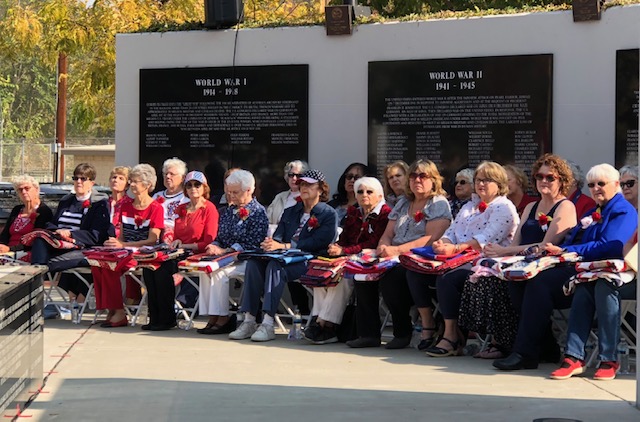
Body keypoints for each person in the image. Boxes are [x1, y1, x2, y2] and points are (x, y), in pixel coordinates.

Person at [494, 163, 638, 370]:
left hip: (596, 272)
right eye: (591, 184)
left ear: (615, 184)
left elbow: (613, 245)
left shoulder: (623, 211)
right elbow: (574, 238)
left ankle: (525, 352)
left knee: (539, 284)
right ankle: (546, 346)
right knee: (517, 282)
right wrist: (560, 249)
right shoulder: (596, 209)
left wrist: (570, 251)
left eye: (601, 184)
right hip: (580, 267)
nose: (596, 188)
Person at [461, 154, 577, 358]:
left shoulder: (565, 206)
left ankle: (522, 350)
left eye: (550, 178)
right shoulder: (531, 207)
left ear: (562, 181)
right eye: (539, 177)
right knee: (495, 279)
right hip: (524, 263)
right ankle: (540, 345)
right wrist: (499, 255)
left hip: (550, 267)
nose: (544, 181)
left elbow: (546, 245)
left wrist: (501, 250)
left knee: (529, 286)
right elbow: (516, 243)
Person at [414, 161, 519, 357]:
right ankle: (429, 327)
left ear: (499, 183)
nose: (481, 184)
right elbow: (452, 231)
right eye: (478, 180)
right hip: (459, 257)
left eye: (487, 180)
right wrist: (442, 242)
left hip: (487, 261)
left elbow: (487, 239)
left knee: (447, 278)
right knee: (416, 272)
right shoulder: (469, 206)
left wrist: (454, 248)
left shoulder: (503, 207)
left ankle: (452, 336)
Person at [347, 159, 452, 349]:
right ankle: (368, 334)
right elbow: (388, 233)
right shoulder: (404, 202)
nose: (417, 180)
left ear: (434, 179)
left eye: (423, 176)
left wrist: (397, 250)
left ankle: (402, 331)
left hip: (419, 257)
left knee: (392, 278)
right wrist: (383, 246)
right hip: (394, 255)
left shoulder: (438, 203)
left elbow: (431, 238)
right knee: (362, 273)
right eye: (413, 176)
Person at [229, 169, 337, 342]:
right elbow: (279, 234)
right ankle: (249, 319)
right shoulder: (291, 211)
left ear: (321, 189)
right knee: (254, 263)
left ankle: (268, 322)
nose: (303, 187)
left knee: (275, 266)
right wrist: (270, 244)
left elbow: (320, 242)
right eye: (301, 184)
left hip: (310, 260)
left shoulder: (328, 213)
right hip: (283, 256)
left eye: (309, 184)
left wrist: (286, 245)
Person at [305, 176, 391, 344]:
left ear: (380, 196)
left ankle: (326, 325)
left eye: (369, 191)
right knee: (323, 275)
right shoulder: (355, 212)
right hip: (348, 258)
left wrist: (344, 250)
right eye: (360, 192)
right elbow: (345, 237)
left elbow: (374, 241)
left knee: (342, 277)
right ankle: (320, 321)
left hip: (371, 259)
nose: (364, 195)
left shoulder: (385, 214)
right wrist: (336, 246)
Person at [550, 229, 637, 381]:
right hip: (631, 272)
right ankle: (574, 356)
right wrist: (631, 257)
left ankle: (609, 358)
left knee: (605, 286)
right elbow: (629, 244)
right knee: (585, 286)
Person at [138, 171, 219, 331]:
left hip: (197, 253)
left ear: (204, 187)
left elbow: (208, 241)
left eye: (197, 185)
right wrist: (176, 241)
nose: (193, 188)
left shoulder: (209, 208)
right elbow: (177, 234)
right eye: (189, 185)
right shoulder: (181, 208)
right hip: (179, 250)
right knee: (150, 267)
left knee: (162, 270)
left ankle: (167, 318)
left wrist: (185, 246)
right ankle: (155, 317)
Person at [198, 169, 269, 335]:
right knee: (205, 269)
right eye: (229, 192)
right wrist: (214, 246)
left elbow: (254, 242)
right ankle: (212, 315)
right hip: (226, 257)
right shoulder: (229, 211)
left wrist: (226, 250)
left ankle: (223, 317)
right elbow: (220, 236)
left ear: (249, 190)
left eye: (235, 192)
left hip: (248, 260)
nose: (231, 196)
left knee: (218, 272)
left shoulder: (258, 212)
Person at [30, 163, 110, 303]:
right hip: (59, 243)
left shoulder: (99, 203)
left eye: (83, 178)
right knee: (39, 239)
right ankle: (37, 278)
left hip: (81, 247)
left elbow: (96, 235)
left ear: (92, 182)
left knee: (44, 265)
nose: (78, 182)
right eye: (76, 178)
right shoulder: (66, 200)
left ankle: (37, 278)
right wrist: (57, 231)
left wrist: (71, 234)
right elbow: (53, 223)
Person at [97, 164, 165, 328]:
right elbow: (121, 236)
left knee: (111, 265)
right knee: (99, 262)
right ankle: (112, 309)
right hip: (125, 250)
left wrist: (124, 244)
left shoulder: (156, 208)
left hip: (143, 253)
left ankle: (119, 312)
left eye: (136, 182)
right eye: (132, 181)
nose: (132, 185)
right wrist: (115, 243)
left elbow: (152, 240)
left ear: (147, 185)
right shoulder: (126, 206)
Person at [0, 175, 53, 254]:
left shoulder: (44, 211)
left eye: (27, 188)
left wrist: (10, 249)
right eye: (20, 190)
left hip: (26, 252)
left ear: (36, 189)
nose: (24, 192)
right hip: (6, 251)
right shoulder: (17, 210)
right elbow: (5, 234)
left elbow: (36, 241)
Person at [152, 157, 188, 243]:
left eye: (172, 174)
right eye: (165, 174)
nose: (168, 176)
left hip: (174, 237)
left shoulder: (186, 198)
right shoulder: (157, 196)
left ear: (182, 178)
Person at [266, 160, 309, 225]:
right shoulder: (279, 197)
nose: (294, 178)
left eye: (298, 175)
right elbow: (268, 220)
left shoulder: (309, 198)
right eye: (291, 175)